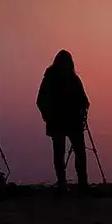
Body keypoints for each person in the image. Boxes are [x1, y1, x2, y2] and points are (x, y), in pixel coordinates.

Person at [37, 49, 90, 190]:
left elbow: (84, 99)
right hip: (60, 122)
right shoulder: (51, 79)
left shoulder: (72, 79)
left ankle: (80, 183)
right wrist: (49, 116)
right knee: (63, 154)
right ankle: (65, 183)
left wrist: (83, 108)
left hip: (71, 122)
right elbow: (41, 101)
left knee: (77, 153)